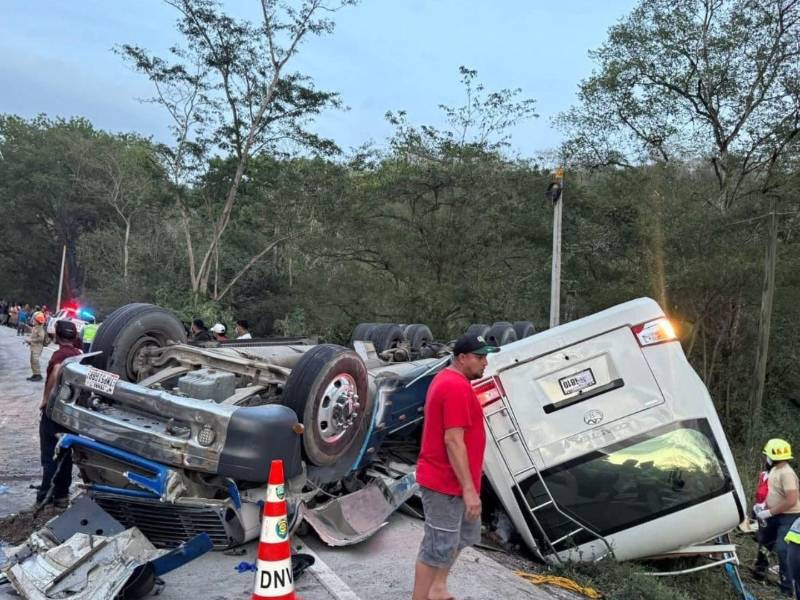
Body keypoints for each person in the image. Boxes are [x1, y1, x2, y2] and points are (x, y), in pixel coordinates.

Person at [412, 333, 500, 600]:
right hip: (445, 484)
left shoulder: (453, 381)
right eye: (480, 357)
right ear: (462, 358)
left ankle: (438, 588)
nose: (485, 362)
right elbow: (453, 440)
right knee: (436, 547)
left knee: (463, 536)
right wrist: (469, 490)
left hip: (458, 483)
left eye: (486, 356)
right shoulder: (454, 386)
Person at [36, 320, 82, 509]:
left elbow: (56, 371)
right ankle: (62, 496)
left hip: (54, 414)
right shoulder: (80, 355)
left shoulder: (59, 355)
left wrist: (46, 400)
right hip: (72, 416)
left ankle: (45, 497)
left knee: (50, 457)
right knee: (65, 455)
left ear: (57, 335)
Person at [754, 438, 800, 596]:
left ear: (772, 457)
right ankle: (759, 572)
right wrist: (763, 506)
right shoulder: (774, 470)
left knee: (783, 549)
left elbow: (791, 500)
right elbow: (774, 493)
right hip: (775, 513)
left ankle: (787, 589)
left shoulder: (786, 473)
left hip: (789, 516)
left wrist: (768, 512)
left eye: (767, 455)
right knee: (764, 542)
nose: (766, 458)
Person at [26, 311, 47, 382]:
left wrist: (31, 340)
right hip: (33, 347)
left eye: (34, 319)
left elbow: (41, 338)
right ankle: (34, 374)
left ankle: (38, 375)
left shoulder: (40, 328)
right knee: (32, 361)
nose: (33, 320)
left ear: (38, 321)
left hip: (37, 347)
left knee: (35, 360)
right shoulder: (36, 327)